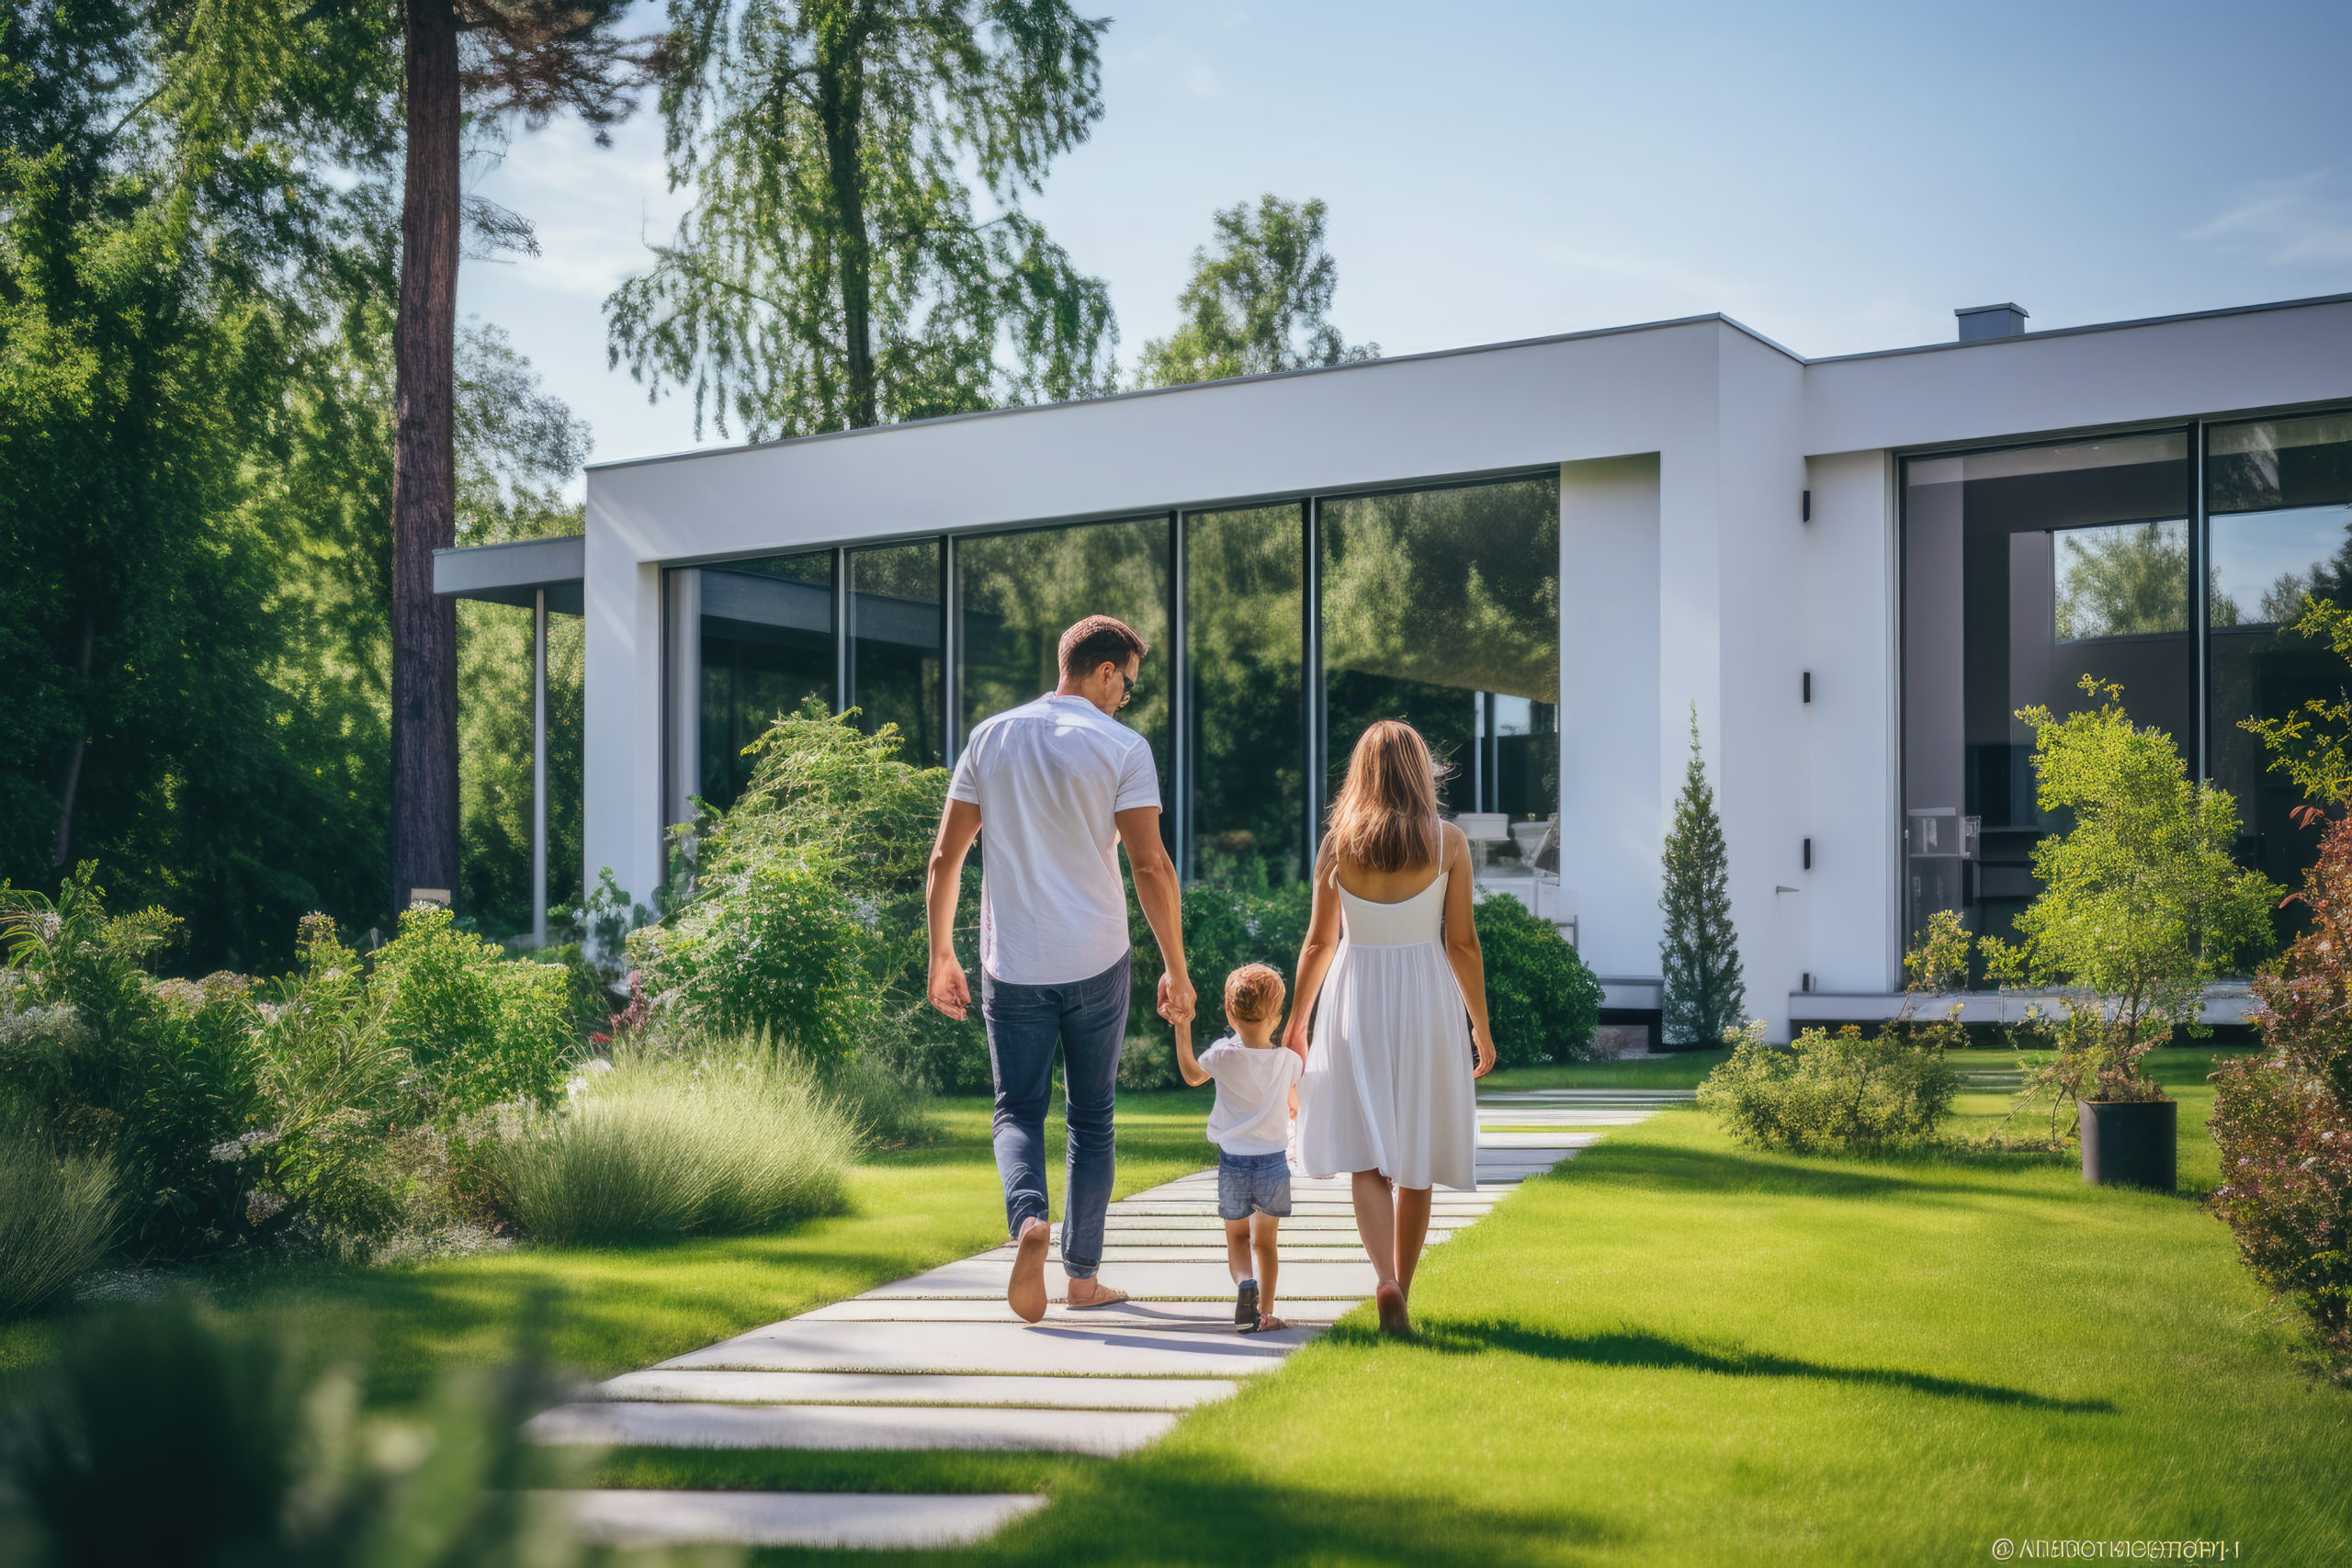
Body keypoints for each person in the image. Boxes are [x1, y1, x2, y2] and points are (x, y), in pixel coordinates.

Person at [924, 615, 1194, 1325]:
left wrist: (941, 952)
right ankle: (1081, 1277)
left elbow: (945, 857)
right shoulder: (1123, 747)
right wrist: (1177, 966)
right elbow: (1150, 864)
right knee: (1092, 1117)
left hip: (1011, 960)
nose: (1126, 696)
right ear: (1104, 670)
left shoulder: (991, 736)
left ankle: (1028, 1221)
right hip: (1097, 958)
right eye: (1127, 683)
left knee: (1017, 1107)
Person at [1286, 720, 1497, 1337]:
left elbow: (1320, 941)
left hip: (1356, 996)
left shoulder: (1337, 843)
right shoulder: (1447, 842)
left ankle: (1382, 1278)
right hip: (1427, 997)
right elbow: (1461, 943)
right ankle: (1402, 1287)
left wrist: (1297, 1022)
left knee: (1367, 1156)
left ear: (1362, 772)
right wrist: (1479, 1027)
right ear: (1419, 771)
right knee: (1417, 1154)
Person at [1173, 964, 1303, 1334]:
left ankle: (1245, 1283)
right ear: (1275, 1019)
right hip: (1273, 1166)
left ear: (1229, 1014)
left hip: (1233, 1164)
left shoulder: (1221, 1057)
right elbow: (1293, 1102)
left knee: (1238, 1239)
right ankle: (1264, 1313)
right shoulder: (1288, 1062)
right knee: (1267, 1244)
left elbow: (1191, 1074)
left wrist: (1183, 1028)